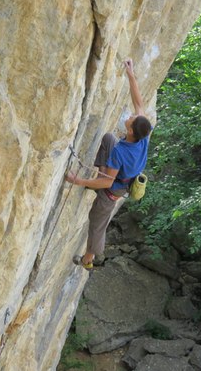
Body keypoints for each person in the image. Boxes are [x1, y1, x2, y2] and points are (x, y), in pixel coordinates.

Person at [65, 58, 152, 270]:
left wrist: (77, 181)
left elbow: (106, 182)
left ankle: (88, 259)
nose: (131, 116)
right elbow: (139, 103)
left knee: (97, 224)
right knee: (107, 138)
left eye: (131, 119)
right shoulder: (143, 135)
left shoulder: (121, 152)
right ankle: (90, 181)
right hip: (122, 177)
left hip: (112, 190)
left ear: (130, 131)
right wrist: (131, 74)